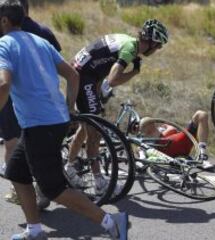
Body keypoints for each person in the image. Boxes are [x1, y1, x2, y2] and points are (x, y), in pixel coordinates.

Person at [0, 1, 128, 239]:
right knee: (17, 172)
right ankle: (35, 230)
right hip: (51, 120)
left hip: (41, 124)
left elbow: (3, 84)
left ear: (5, 21)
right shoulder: (39, 41)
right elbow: (72, 74)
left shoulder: (4, 45)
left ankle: (112, 223)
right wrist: (68, 108)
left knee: (53, 188)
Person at [65, 19, 169, 192]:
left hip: (84, 74)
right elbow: (112, 80)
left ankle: (69, 167)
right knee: (95, 131)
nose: (158, 49)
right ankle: (99, 182)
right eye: (158, 45)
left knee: (86, 128)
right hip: (83, 77)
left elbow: (99, 68)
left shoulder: (129, 41)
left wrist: (97, 95)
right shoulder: (129, 49)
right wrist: (133, 73)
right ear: (151, 42)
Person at [0, 0, 62, 208]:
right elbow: (62, 65)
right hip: (47, 99)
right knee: (36, 148)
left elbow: (3, 80)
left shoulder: (5, 35)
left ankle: (22, 189)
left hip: (14, 96)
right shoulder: (42, 31)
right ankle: (39, 190)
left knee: (12, 142)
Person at [139, 110, 214, 170]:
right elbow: (141, 150)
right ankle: (196, 161)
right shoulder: (145, 140)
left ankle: (202, 156)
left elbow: (174, 129)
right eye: (144, 124)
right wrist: (142, 161)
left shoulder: (162, 128)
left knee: (201, 114)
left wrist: (167, 129)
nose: (148, 123)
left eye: (149, 121)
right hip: (168, 151)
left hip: (184, 139)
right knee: (143, 148)